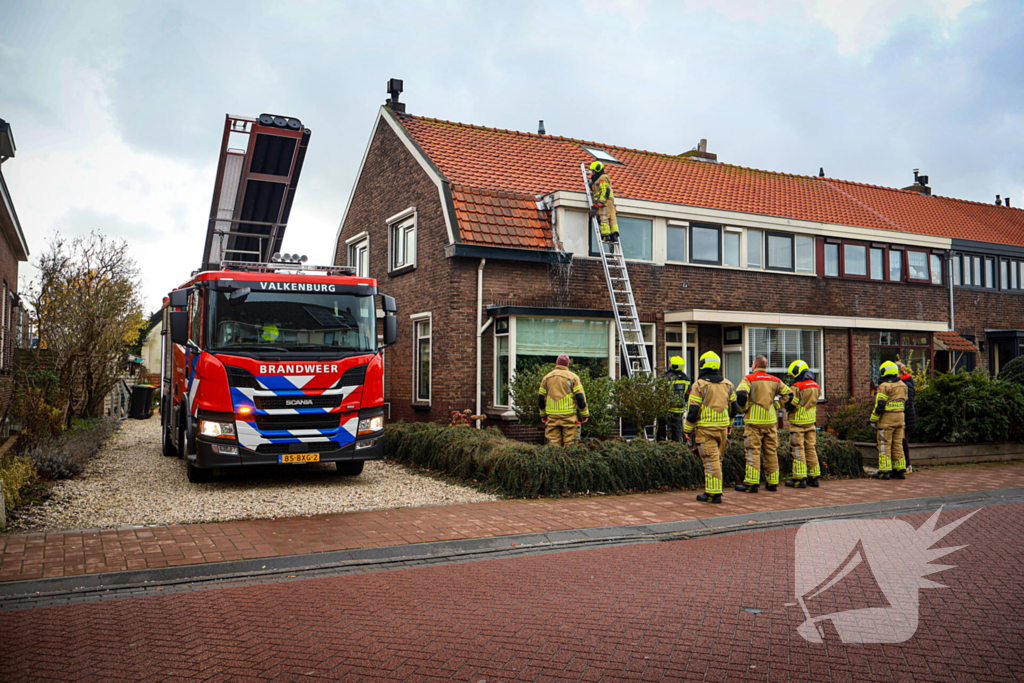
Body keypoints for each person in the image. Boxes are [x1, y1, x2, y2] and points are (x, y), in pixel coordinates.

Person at [684, 351, 738, 504]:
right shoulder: (728, 384)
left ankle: (713, 493)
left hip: (706, 430)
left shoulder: (699, 385)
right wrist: (730, 425)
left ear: (702, 365)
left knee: (710, 460)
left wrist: (687, 429)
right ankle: (712, 490)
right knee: (716, 460)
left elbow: (693, 411)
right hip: (722, 430)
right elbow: (734, 408)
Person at [735, 355, 793, 493]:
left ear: (754, 365)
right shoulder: (775, 380)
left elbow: (741, 395)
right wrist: (776, 405)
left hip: (754, 421)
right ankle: (772, 483)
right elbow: (789, 395)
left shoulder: (748, 379)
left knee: (752, 452)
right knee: (771, 451)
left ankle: (751, 483)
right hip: (771, 421)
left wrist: (744, 409)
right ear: (765, 366)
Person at [785, 360, 822, 489]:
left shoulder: (797, 387)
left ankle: (799, 479)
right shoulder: (816, 386)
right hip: (811, 422)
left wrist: (785, 405)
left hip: (797, 423)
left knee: (797, 449)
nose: (793, 377)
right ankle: (814, 476)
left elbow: (792, 405)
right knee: (810, 448)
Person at [538, 354, 589, 447]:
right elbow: (580, 398)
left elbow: (541, 398)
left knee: (553, 446)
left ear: (557, 363)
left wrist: (543, 415)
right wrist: (585, 414)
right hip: (569, 416)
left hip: (552, 417)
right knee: (570, 445)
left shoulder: (546, 378)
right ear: (567, 364)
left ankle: (554, 461)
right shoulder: (574, 377)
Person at [870, 360, 908, 480]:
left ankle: (884, 471)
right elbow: (906, 402)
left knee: (884, 445)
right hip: (901, 419)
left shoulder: (884, 386)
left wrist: (872, 419)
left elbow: (880, 405)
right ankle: (900, 470)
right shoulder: (903, 385)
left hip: (887, 420)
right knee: (898, 444)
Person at [656, 355, 691, 442]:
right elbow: (687, 394)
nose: (669, 364)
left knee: (661, 429)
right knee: (677, 431)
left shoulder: (667, 377)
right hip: (678, 410)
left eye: (670, 363)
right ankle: (677, 449)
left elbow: (661, 393)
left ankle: (661, 448)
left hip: (665, 409)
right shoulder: (686, 378)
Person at [588, 161, 619, 242]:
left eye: (593, 171)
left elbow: (605, 190)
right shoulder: (602, 178)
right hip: (610, 202)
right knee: (612, 218)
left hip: (605, 201)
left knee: (604, 217)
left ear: (597, 170)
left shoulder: (602, 178)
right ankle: (614, 234)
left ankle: (606, 235)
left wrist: (601, 201)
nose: (592, 173)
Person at [897, 361, 916, 474]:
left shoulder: (906, 385)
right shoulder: (905, 383)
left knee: (903, 440)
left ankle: (907, 464)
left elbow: (908, 403)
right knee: (902, 440)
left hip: (906, 417)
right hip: (905, 416)